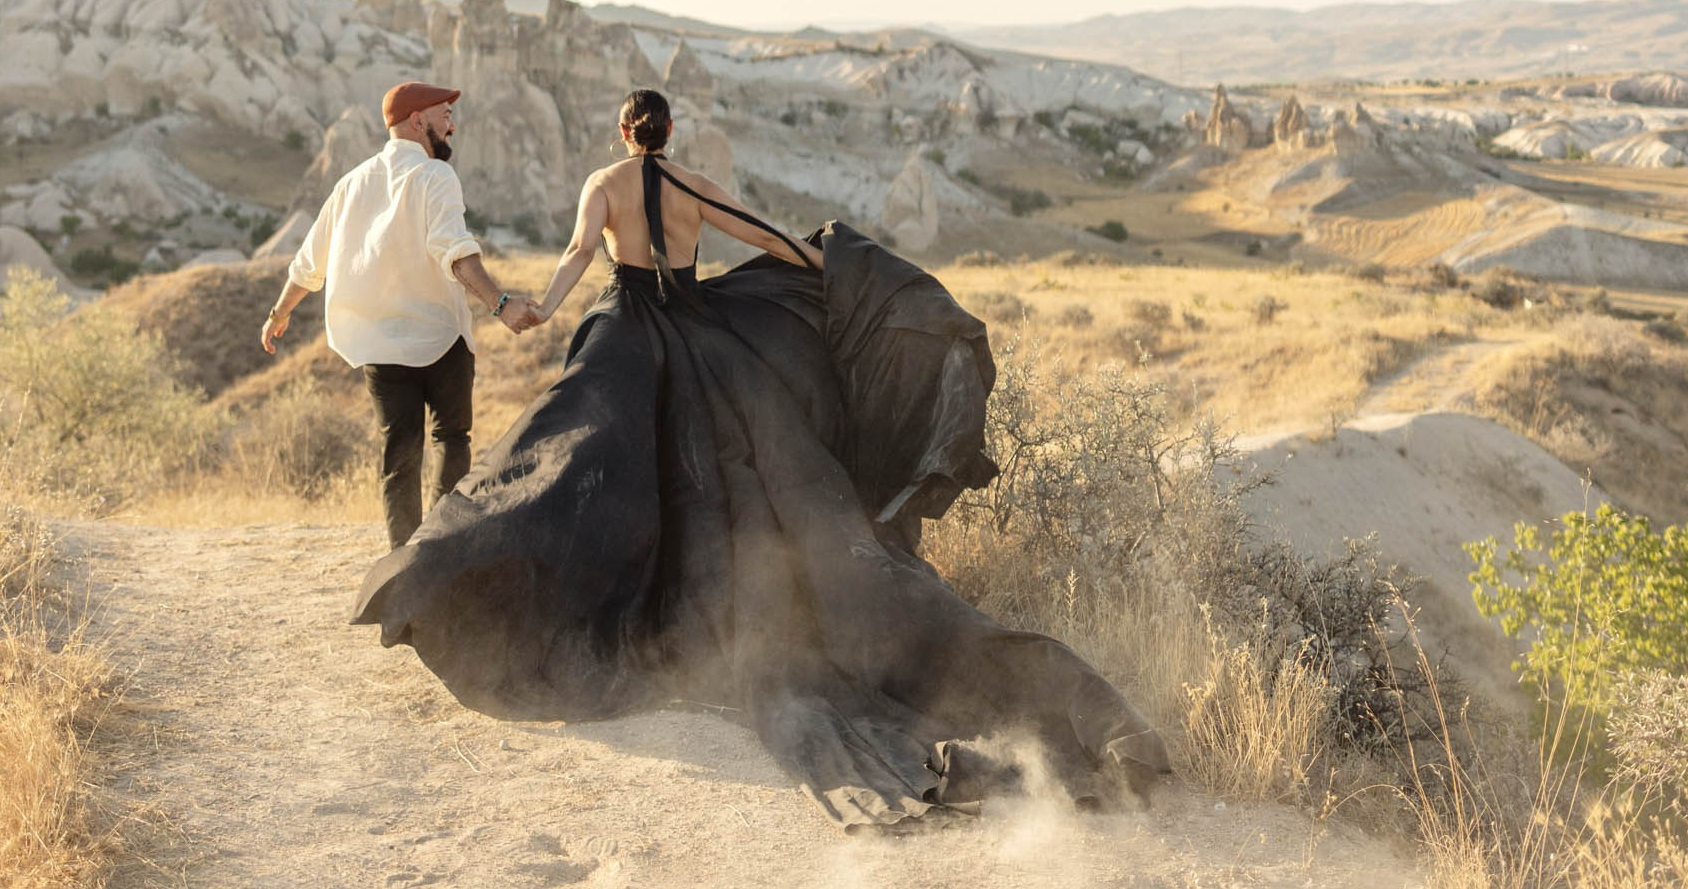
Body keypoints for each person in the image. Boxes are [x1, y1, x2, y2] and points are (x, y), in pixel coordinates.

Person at [352, 86, 1170, 829]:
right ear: (668, 132)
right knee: (740, 473)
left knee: (560, 458)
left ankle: (439, 568)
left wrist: (536, 309)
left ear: (622, 132)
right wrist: (837, 275)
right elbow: (767, 239)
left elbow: (574, 252)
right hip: (705, 332)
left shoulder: (602, 183)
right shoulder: (692, 183)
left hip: (628, 334)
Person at [261, 81, 540, 549]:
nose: (452, 125)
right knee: (452, 439)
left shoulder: (351, 184)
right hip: (441, 339)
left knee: (399, 456)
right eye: (444, 115)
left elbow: (309, 264)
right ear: (417, 120)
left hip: (380, 346)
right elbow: (456, 252)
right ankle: (441, 552)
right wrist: (500, 304)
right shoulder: (435, 176)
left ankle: (403, 563)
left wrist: (278, 314)